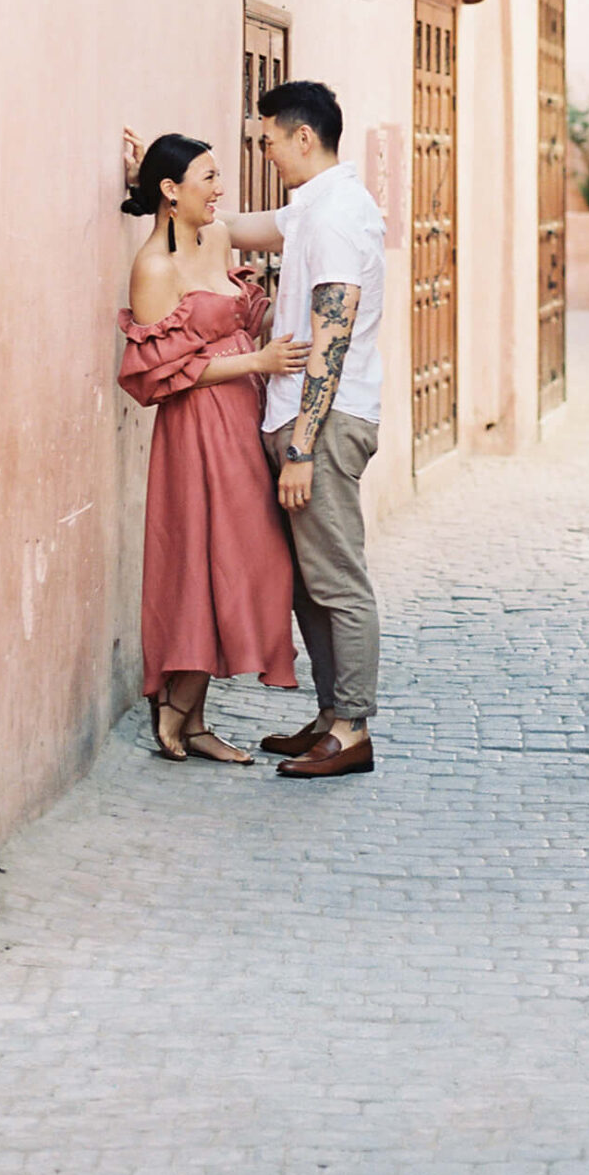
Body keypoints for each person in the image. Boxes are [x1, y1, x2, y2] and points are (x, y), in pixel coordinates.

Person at [117, 132, 310, 764]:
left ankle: (189, 708)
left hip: (245, 412)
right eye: (207, 178)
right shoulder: (154, 267)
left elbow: (263, 266)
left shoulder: (219, 238)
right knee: (198, 557)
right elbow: (161, 374)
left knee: (247, 555)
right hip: (194, 427)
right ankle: (183, 710)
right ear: (171, 193)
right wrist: (257, 358)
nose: (219, 188)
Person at [230, 79, 386, 781]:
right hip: (299, 416)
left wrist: (301, 449)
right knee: (310, 583)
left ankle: (351, 728)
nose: (264, 152)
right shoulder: (313, 208)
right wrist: (163, 180)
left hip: (320, 422)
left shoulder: (335, 218)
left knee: (338, 581)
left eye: (267, 140)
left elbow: (334, 333)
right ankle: (329, 718)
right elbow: (239, 227)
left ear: (301, 136)